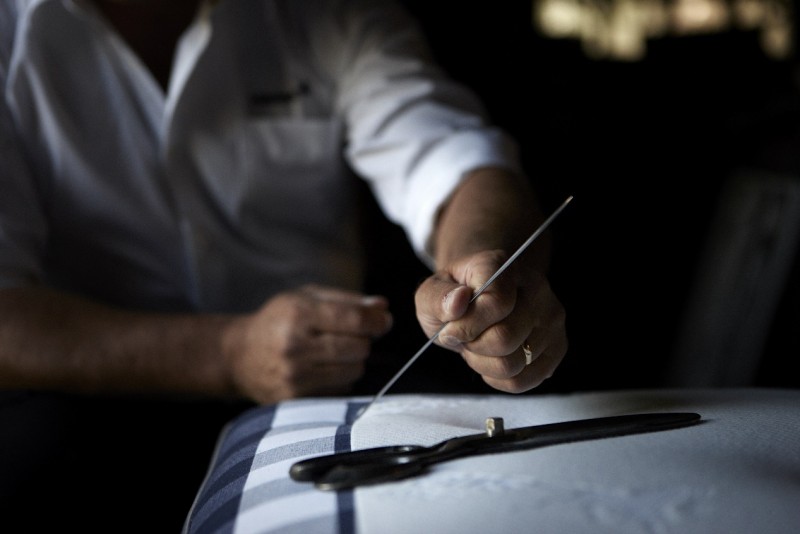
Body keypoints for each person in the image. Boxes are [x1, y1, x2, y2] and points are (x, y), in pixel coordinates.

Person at [0, 0, 568, 529]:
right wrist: (230, 353)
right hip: (88, 399)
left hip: (335, 377)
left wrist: (480, 270)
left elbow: (456, 160)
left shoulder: (329, 12)